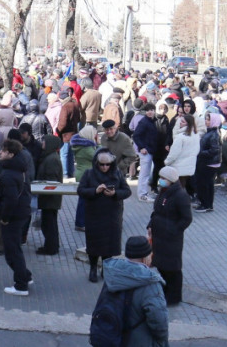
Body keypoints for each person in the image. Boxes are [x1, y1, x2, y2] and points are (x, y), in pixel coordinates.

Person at [100, 236, 169, 346]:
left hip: (113, 336)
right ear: (145, 258)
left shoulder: (113, 274)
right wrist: (162, 341)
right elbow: (159, 321)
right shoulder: (150, 283)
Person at [78, 148, 132, 283]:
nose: (105, 167)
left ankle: (105, 269)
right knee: (94, 244)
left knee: (109, 245)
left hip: (112, 215)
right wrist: (95, 191)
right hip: (94, 214)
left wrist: (115, 194)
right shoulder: (89, 174)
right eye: (102, 164)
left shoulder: (117, 173)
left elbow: (127, 191)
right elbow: (81, 190)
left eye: (107, 164)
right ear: (97, 163)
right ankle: (93, 269)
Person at [147, 166, 192, 306]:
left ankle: (174, 297)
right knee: (161, 266)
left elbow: (186, 218)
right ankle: (166, 291)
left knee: (172, 269)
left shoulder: (180, 195)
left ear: (171, 180)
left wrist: (173, 230)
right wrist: (150, 224)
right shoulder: (164, 192)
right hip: (159, 236)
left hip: (171, 238)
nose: (160, 180)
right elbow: (157, 211)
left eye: (163, 178)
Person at [0, 139, 33, 296]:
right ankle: (26, 276)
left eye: (3, 150)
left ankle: (21, 285)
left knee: (12, 251)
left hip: (13, 217)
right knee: (15, 248)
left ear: (11, 154)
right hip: (21, 213)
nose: (0, 152)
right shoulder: (18, 168)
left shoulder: (9, 175)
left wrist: (4, 218)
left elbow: (10, 200)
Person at [35, 135, 64, 255]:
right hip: (49, 198)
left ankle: (51, 247)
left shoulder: (52, 159)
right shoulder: (49, 157)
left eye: (44, 141)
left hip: (50, 198)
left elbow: (51, 181)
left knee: (49, 224)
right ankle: (51, 245)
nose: (42, 143)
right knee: (48, 223)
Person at [194, 112, 223, 213]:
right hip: (208, 162)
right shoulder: (210, 132)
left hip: (209, 163)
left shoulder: (213, 134)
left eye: (208, 120)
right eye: (206, 119)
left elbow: (214, 150)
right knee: (208, 184)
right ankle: (207, 204)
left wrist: (200, 152)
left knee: (205, 184)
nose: (206, 121)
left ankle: (205, 204)